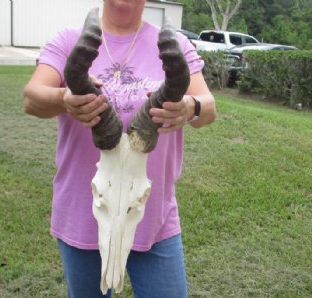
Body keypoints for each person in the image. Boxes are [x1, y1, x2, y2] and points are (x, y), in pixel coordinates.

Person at [23, 0, 216, 297]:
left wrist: (190, 106)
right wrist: (65, 98)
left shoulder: (175, 43)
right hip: (86, 216)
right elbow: (32, 98)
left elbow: (209, 109)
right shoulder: (68, 40)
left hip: (152, 216)